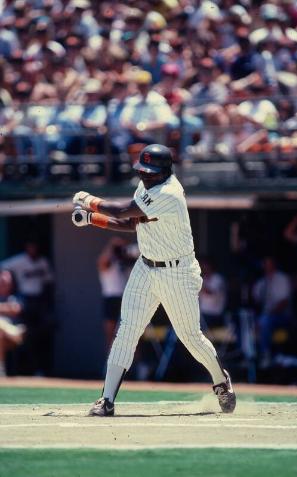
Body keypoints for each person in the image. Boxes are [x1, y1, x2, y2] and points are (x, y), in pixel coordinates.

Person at [72, 143, 236, 416]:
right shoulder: (146, 186)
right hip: (146, 267)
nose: (145, 176)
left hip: (177, 272)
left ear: (165, 170)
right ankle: (107, 399)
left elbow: (124, 210)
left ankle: (221, 380)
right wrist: (93, 218)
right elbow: (130, 223)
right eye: (142, 171)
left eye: (150, 172)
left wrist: (90, 201)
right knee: (127, 330)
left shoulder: (169, 192)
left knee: (190, 336)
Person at [0, 239, 55, 375]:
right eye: (30, 246)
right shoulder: (19, 260)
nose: (33, 249)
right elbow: (3, 265)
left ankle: (39, 369)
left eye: (35, 246)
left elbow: (49, 283)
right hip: (27, 298)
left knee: (38, 336)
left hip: (38, 302)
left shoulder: (43, 262)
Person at [252, 256, 292, 368]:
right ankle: (249, 356)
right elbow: (256, 301)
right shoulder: (261, 281)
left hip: (282, 316)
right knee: (246, 320)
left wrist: (267, 314)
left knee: (264, 321)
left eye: (269, 263)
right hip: (264, 316)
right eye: (265, 264)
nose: (267, 266)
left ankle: (266, 355)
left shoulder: (282, 279)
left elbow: (284, 302)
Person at [97, 237, 128, 350]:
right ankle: (112, 362)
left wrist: (125, 250)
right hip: (111, 299)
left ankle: (138, 364)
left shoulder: (125, 262)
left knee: (131, 333)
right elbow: (103, 262)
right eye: (117, 249)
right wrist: (112, 246)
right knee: (111, 333)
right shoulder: (106, 261)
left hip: (125, 299)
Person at [0, 269, 25, 377]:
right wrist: (6, 308)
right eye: (2, 280)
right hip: (10, 334)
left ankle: (0, 369)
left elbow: (15, 310)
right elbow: (10, 309)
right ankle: (10, 330)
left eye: (7, 280)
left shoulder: (16, 296)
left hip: (14, 338)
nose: (4, 282)